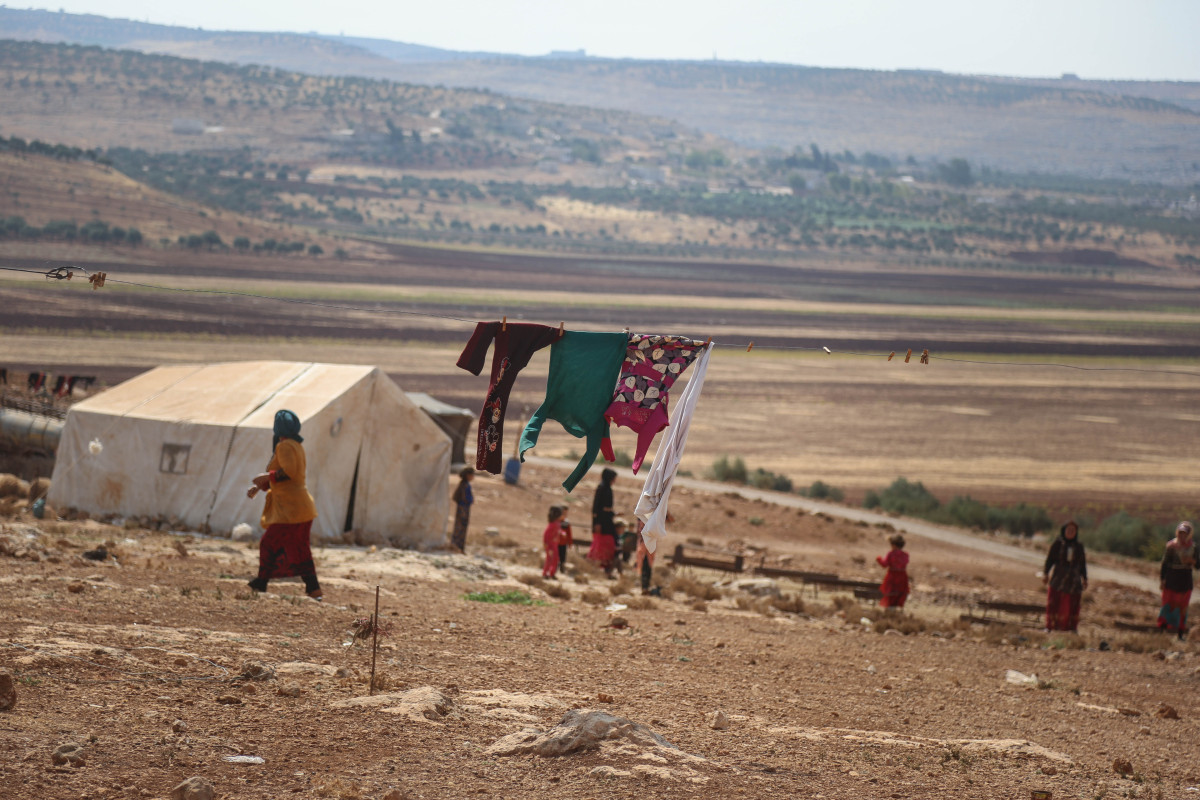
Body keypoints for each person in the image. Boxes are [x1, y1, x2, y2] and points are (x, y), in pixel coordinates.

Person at [247, 410, 321, 600]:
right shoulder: (296, 445)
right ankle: (313, 588)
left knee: (269, 543)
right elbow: (285, 476)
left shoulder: (285, 446)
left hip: (291, 510)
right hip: (301, 508)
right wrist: (260, 486)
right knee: (299, 548)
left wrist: (266, 477)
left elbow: (289, 472)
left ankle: (262, 582)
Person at [1043, 520, 1087, 632]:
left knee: (1072, 605)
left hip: (1074, 582)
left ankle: (1070, 628)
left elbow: (1082, 564)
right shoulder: (1058, 544)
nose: (1070, 532)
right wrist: (1046, 573)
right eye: (1068, 530)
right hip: (1058, 579)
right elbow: (1050, 560)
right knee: (1054, 603)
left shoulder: (1079, 546)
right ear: (1064, 530)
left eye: (1073, 530)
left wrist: (1084, 578)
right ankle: (1050, 626)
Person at [1159, 521, 1199, 639]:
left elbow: (1198, 565)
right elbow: (1165, 563)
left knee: (1183, 606)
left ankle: (1180, 634)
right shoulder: (1171, 546)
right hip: (1172, 578)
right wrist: (1162, 579)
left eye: (1185, 534)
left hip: (1185, 579)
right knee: (1167, 603)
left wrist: (1191, 561)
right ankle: (1163, 630)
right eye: (1180, 533)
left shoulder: (1193, 547)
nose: (1182, 536)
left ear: (1189, 534)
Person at [589, 468, 618, 576]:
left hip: (607, 520)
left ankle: (607, 567)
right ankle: (597, 565)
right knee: (604, 542)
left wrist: (614, 513)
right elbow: (596, 508)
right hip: (601, 521)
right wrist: (597, 523)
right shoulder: (601, 488)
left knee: (611, 542)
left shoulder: (608, 489)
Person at [876, 534, 909, 609]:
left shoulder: (891, 554)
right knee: (899, 593)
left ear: (894, 545)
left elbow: (885, 564)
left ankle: (889, 610)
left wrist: (879, 559)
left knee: (890, 593)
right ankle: (896, 609)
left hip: (892, 576)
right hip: (902, 576)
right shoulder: (905, 555)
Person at [450, 467, 475, 553]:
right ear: (468, 475)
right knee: (460, 528)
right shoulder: (464, 485)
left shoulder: (465, 484)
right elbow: (465, 498)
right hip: (463, 509)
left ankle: (458, 547)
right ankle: (457, 547)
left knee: (461, 528)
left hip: (464, 508)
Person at [542, 505, 565, 579]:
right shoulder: (553, 524)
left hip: (555, 545)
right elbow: (546, 533)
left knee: (556, 559)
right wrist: (545, 543)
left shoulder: (557, 523)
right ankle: (545, 573)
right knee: (549, 559)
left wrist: (562, 533)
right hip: (550, 545)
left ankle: (552, 573)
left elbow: (557, 531)